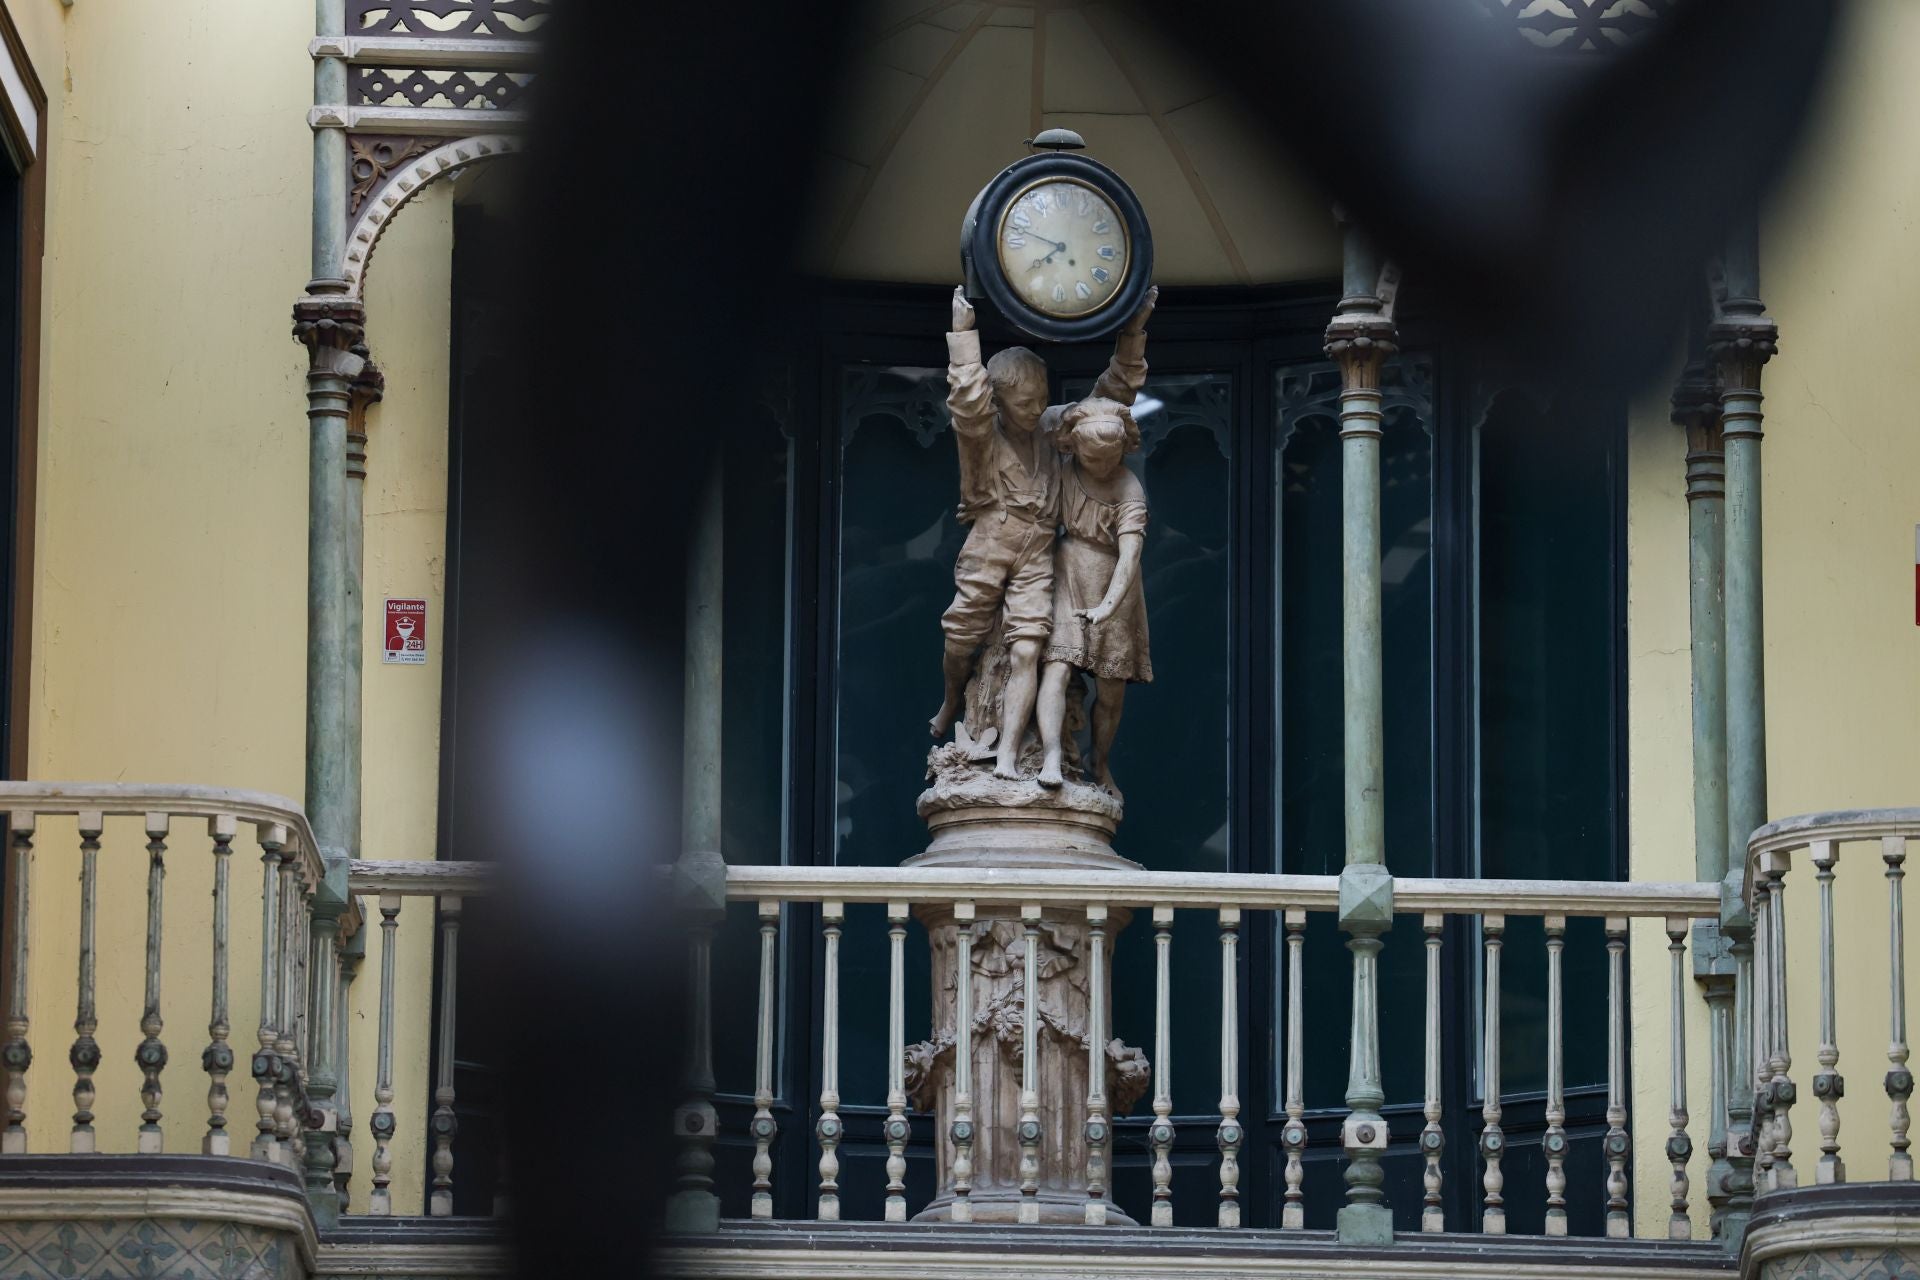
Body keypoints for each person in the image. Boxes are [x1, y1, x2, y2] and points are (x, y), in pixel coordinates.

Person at [931, 286, 1156, 780]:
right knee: (961, 636)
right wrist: (964, 338)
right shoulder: (984, 438)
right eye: (1026, 402)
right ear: (1002, 401)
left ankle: (1011, 755)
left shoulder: (1054, 431)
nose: (1036, 409)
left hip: (1036, 552)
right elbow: (968, 404)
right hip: (991, 544)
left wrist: (1133, 333)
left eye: (1042, 400)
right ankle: (950, 702)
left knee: (1029, 648)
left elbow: (1111, 397)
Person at [1036, 397, 1152, 791]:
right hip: (1069, 570)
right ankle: (1051, 756)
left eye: (1109, 457)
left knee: (1111, 689)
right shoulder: (1064, 471)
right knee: (1056, 665)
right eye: (1092, 457)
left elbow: (1129, 556)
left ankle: (1098, 761)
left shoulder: (1128, 487)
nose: (1101, 465)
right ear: (1074, 447)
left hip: (1113, 586)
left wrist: (1107, 606)